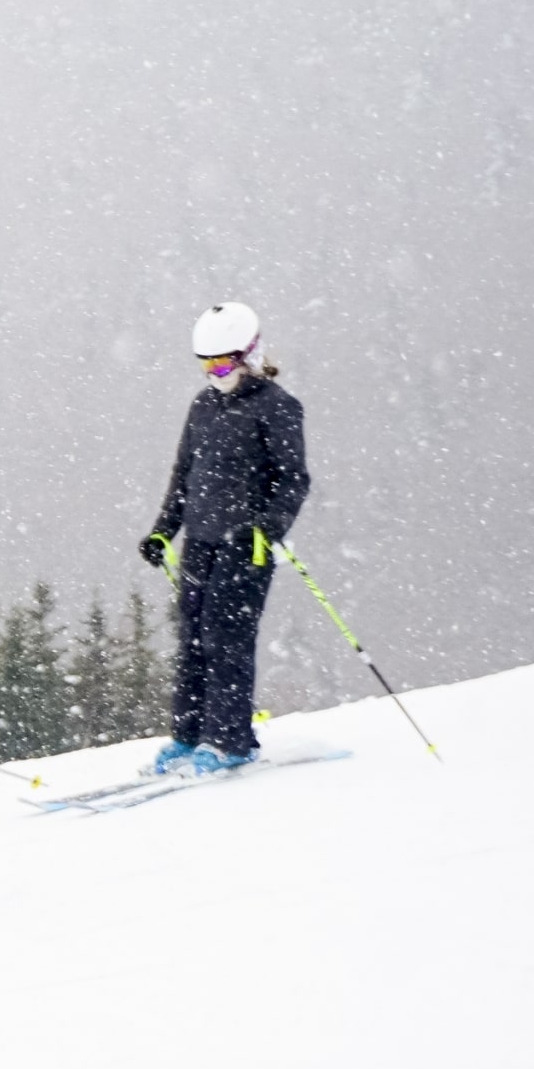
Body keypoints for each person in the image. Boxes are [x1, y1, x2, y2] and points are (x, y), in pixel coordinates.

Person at [139, 302, 310, 775]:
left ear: (250, 354)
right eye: (206, 364)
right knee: (192, 634)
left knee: (225, 634)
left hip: (246, 542)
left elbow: (293, 479)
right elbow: (184, 475)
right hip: (201, 538)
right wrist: (162, 532)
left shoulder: (276, 406)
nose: (214, 372)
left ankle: (231, 740)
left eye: (223, 362)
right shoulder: (203, 405)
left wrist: (268, 527)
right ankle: (189, 735)